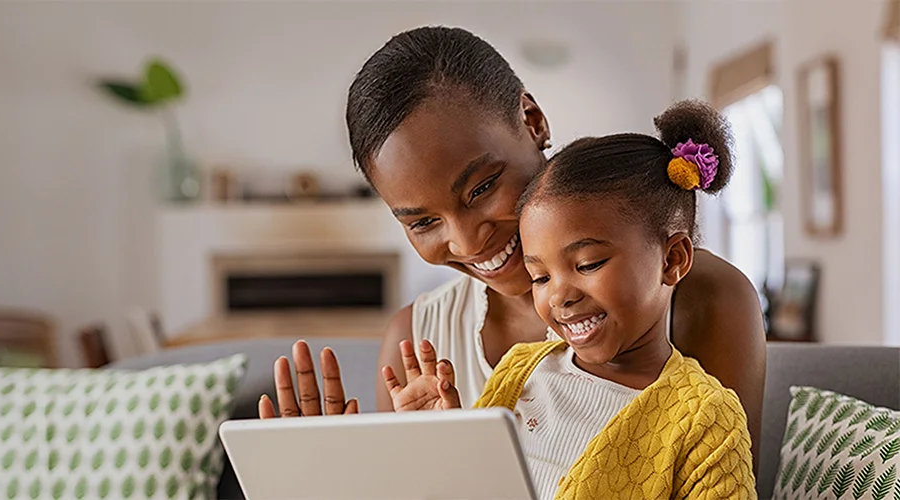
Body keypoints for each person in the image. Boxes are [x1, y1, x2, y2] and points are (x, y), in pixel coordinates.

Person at [257, 26, 765, 454]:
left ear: (532, 120)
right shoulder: (415, 342)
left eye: (481, 189)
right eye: (423, 223)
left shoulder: (701, 298)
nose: (467, 242)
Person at [383, 101, 754, 499]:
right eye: (540, 277)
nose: (559, 295)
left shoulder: (706, 418)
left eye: (588, 264)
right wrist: (445, 449)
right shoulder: (520, 370)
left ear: (672, 259)